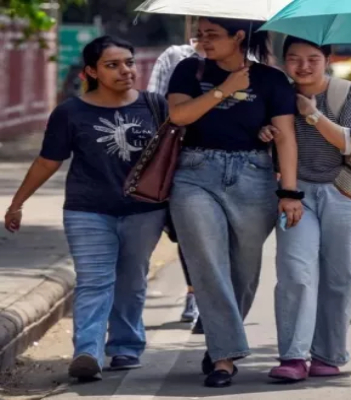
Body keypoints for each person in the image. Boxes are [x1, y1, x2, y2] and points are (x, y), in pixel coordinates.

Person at [4, 36, 167, 381]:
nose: (125, 70)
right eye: (113, 65)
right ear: (90, 71)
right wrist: (17, 203)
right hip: (88, 210)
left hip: (144, 212)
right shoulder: (71, 113)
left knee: (131, 279)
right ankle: (87, 352)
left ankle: (125, 346)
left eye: (128, 62)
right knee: (94, 281)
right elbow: (48, 161)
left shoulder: (155, 106)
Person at [166, 17, 299, 388]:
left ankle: (221, 339)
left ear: (238, 36)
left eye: (212, 34)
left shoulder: (272, 80)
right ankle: (224, 357)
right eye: (200, 34)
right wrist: (224, 89)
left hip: (254, 177)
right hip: (195, 173)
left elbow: (286, 137)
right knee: (207, 262)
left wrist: (289, 192)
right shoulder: (188, 71)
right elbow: (179, 115)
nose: (203, 41)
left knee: (244, 269)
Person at [257, 35, 351, 383]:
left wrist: (312, 113)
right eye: (293, 59)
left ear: (328, 58)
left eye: (312, 59)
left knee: (339, 277)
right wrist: (262, 132)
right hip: (296, 193)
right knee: (294, 272)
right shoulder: (277, 93)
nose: (302, 66)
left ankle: (328, 354)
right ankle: (293, 356)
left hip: (345, 192)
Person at [147, 39, 205, 333]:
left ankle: (218, 301)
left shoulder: (252, 59)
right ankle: (196, 294)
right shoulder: (177, 56)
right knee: (190, 232)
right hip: (184, 155)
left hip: (241, 160)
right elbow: (156, 102)